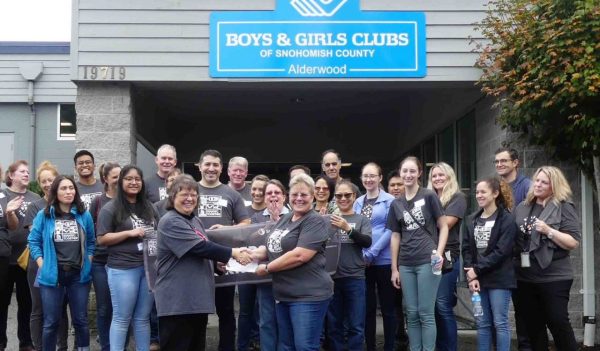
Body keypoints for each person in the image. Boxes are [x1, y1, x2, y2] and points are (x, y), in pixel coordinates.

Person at [154, 174, 251, 351]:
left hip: (196, 301)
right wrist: (233, 252)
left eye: (193, 195)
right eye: (184, 195)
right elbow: (200, 247)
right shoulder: (170, 221)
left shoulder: (194, 220)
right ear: (172, 197)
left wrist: (216, 266)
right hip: (177, 303)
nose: (190, 199)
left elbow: (198, 253)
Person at [253, 173, 333, 351]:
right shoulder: (285, 219)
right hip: (284, 295)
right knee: (286, 346)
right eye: (295, 194)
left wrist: (267, 268)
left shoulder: (315, 221)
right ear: (289, 197)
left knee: (304, 347)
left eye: (304, 195)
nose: (298, 198)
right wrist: (248, 254)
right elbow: (271, 247)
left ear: (312, 196)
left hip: (308, 296)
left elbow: (299, 255)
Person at [513, 166, 580, 351]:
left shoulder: (564, 206)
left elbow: (573, 242)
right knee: (533, 328)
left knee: (558, 322)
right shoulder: (522, 207)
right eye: (537, 180)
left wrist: (549, 231)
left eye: (544, 182)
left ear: (554, 186)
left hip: (555, 276)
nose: (538, 185)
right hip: (525, 276)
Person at [28, 175, 96, 351]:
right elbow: (33, 241)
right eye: (63, 188)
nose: (68, 192)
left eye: (71, 188)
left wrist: (88, 262)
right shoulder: (44, 215)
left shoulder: (83, 214)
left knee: (81, 320)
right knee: (51, 322)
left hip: (78, 275)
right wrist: (43, 264)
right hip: (52, 276)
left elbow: (91, 242)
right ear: (55, 192)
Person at [388, 156, 449, 351]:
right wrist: (394, 268)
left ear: (419, 173)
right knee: (411, 313)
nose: (408, 175)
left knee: (426, 313)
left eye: (412, 171)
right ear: (400, 172)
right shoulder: (396, 203)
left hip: (427, 260)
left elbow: (444, 226)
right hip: (405, 263)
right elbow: (395, 236)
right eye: (404, 171)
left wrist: (439, 253)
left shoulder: (429, 195)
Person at [96, 165, 159, 351]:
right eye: (129, 179)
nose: (134, 182)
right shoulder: (111, 208)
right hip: (123, 269)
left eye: (137, 179)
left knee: (142, 318)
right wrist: (130, 233)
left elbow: (157, 231)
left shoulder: (148, 207)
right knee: (122, 317)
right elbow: (101, 239)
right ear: (121, 181)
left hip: (148, 269)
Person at [195, 150, 250, 351]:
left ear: (221, 168)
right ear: (199, 166)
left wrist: (226, 229)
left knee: (226, 311)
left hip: (224, 260)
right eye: (207, 164)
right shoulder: (191, 190)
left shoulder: (232, 194)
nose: (211, 168)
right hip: (196, 261)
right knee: (197, 313)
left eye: (215, 165)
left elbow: (246, 222)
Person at [462, 177, 517, 351]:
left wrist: (476, 270)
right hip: (477, 279)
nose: (479, 195)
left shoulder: (506, 219)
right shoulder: (471, 219)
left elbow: (502, 251)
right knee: (482, 323)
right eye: (477, 192)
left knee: (500, 322)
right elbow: (466, 249)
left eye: (483, 192)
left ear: (495, 193)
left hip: (499, 278)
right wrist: (471, 276)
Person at [23, 162, 69, 351]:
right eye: (43, 181)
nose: (48, 184)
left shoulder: (66, 203)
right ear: (39, 184)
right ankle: (39, 346)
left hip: (64, 263)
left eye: (51, 180)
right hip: (39, 264)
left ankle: (62, 346)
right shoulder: (35, 206)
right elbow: (37, 236)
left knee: (60, 308)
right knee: (38, 309)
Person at [354, 163, 398, 351]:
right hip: (363, 262)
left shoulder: (390, 201)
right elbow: (354, 228)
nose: (368, 179)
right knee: (368, 308)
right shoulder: (358, 202)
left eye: (372, 176)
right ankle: (370, 346)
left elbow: (391, 230)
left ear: (380, 178)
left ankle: (389, 346)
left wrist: (372, 252)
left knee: (388, 309)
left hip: (385, 260)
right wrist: (364, 254)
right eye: (365, 176)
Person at [494, 147, 533, 350]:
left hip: (520, 255)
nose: (499, 164)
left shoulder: (527, 186)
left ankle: (525, 347)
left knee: (523, 307)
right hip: (499, 257)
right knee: (496, 311)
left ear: (515, 162)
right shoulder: (495, 187)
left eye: (504, 161)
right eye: (497, 162)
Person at [327, 180, 372, 351]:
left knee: (356, 325)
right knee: (334, 325)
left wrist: (348, 229)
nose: (343, 198)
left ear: (354, 196)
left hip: (355, 278)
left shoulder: (361, 219)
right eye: (339, 195)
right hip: (332, 277)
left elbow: (367, 242)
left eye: (347, 195)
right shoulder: (328, 219)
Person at [427, 162, 467, 351]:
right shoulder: (428, 197)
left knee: (443, 305)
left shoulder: (457, 197)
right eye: (434, 176)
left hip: (447, 257)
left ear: (449, 176)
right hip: (427, 257)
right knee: (433, 307)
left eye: (441, 175)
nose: (437, 179)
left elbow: (446, 224)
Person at [0, 160, 38, 351]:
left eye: (27, 172)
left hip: (27, 258)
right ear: (11, 175)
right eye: (22, 171)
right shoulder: (3, 196)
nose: (26, 174)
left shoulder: (35, 197)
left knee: (26, 303)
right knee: (2, 302)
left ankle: (26, 342)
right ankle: (1, 341)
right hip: (5, 258)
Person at [251, 179, 289, 351]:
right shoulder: (256, 218)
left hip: (289, 277)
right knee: (266, 321)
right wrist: (272, 220)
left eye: (277, 193)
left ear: (284, 196)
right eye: (269, 193)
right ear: (264, 198)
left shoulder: (295, 215)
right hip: (265, 277)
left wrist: (277, 220)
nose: (273, 196)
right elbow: (253, 243)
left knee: (285, 321)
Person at [88, 162, 121, 351]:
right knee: (104, 307)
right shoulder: (98, 202)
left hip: (123, 261)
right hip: (101, 261)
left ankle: (120, 345)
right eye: (115, 176)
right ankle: (106, 346)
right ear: (106, 179)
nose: (118, 180)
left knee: (122, 309)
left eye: (121, 176)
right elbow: (91, 229)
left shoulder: (128, 201)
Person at [238, 174, 268, 351]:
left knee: (264, 310)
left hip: (267, 268)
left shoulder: (273, 212)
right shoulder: (243, 211)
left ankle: (261, 343)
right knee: (245, 310)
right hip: (246, 268)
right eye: (254, 189)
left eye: (261, 190)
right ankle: (242, 345)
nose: (257, 193)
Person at [0, 164, 23, 351]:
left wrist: (10, 212)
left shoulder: (3, 197)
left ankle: (8, 342)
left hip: (5, 256)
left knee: (8, 302)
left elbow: (12, 227)